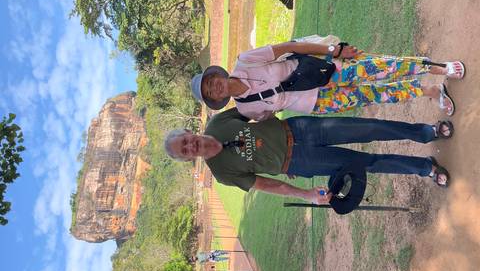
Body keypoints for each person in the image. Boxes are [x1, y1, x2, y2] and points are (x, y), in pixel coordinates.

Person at [164, 108, 453, 204]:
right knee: (365, 164)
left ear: (189, 132)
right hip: (299, 162)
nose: (191, 147)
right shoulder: (222, 173)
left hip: (301, 128)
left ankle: (427, 131)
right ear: (188, 159)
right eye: (185, 151)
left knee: (368, 127)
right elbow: (267, 185)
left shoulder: (217, 123)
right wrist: (306, 195)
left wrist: (266, 108)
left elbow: (252, 107)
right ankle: (424, 168)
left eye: (186, 141)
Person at [190, 40, 465, 120]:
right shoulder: (245, 108)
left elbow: (290, 47)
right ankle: (430, 91)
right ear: (216, 99)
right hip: (319, 103)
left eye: (210, 80)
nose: (213, 86)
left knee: (382, 69)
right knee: (376, 95)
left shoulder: (245, 61)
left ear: (216, 74)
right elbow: (271, 117)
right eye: (209, 92)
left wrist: (334, 51)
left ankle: (440, 68)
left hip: (324, 72)